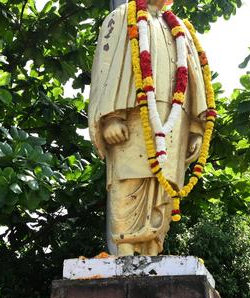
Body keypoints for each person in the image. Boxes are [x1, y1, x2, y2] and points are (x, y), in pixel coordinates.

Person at [88, 0, 208, 256]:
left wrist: (196, 129)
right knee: (129, 179)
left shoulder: (180, 29)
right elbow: (106, 68)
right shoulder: (123, 16)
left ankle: (153, 248)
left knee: (163, 187)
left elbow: (193, 78)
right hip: (133, 114)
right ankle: (126, 249)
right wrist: (110, 116)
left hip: (175, 119)